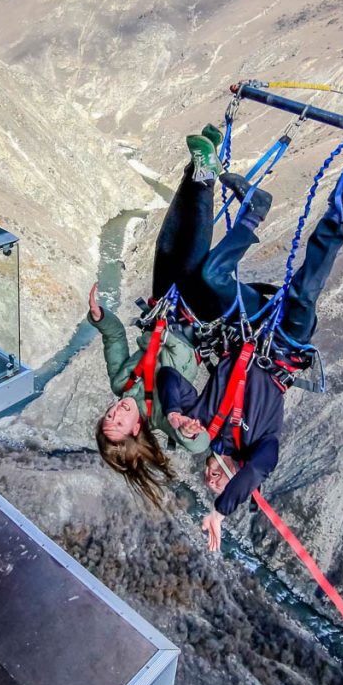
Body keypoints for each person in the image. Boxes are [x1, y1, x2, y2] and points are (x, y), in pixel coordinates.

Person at [156, 167, 343, 552]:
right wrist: (221, 510)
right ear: (238, 479)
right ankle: (341, 204)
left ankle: (254, 210)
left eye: (210, 483)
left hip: (245, 328)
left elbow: (168, 378)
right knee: (306, 290)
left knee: (211, 276)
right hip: (285, 347)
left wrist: (176, 412)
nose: (211, 482)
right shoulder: (261, 447)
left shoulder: (202, 423)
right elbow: (257, 471)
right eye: (220, 485)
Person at [89, 125, 227, 506]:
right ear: (136, 429)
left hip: (162, 312)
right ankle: (204, 172)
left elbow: (115, 339)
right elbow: (200, 442)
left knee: (167, 245)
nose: (114, 411)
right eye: (118, 422)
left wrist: (101, 318)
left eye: (108, 417)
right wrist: (185, 426)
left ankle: (198, 165)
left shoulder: (121, 381)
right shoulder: (165, 417)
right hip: (193, 324)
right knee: (190, 259)